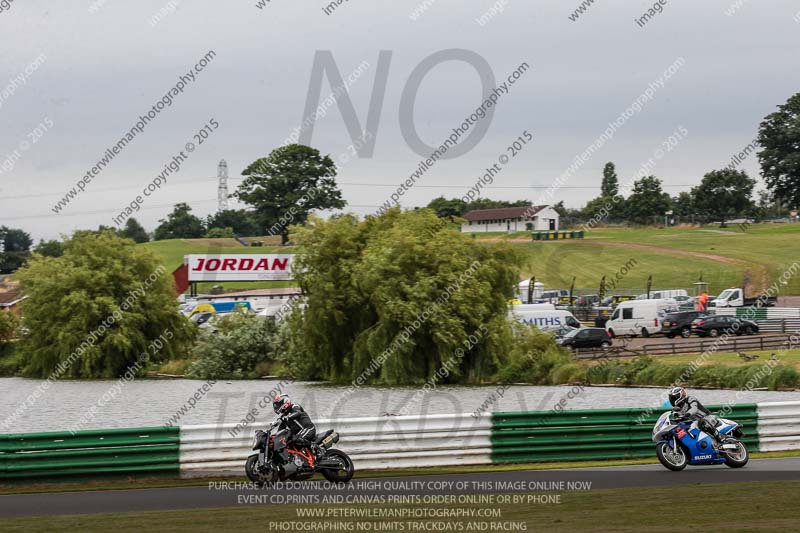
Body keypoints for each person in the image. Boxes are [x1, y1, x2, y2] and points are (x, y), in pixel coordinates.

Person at [272, 394, 321, 474]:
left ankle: (315, 447)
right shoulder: (284, 416)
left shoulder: (294, 406)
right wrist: (274, 437)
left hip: (308, 428)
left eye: (278, 404)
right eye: (276, 405)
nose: (276, 407)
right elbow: (280, 431)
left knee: (297, 439)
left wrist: (288, 417)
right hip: (300, 433)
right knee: (290, 443)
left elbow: (297, 413)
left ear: (284, 402)